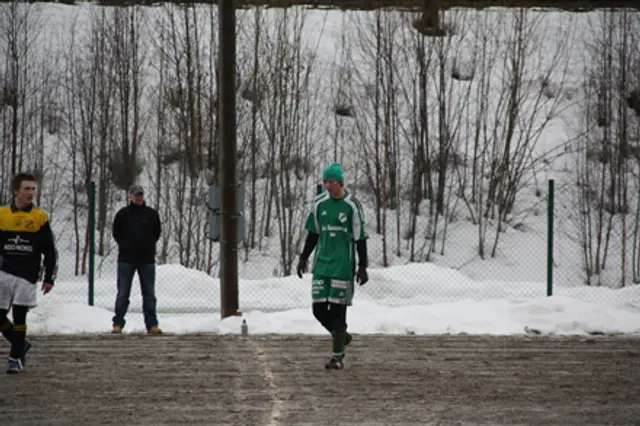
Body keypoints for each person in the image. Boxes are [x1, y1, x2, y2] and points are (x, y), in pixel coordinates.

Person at [296, 162, 369, 370]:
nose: (328, 185)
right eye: (325, 181)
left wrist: (363, 266)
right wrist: (303, 258)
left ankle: (337, 357)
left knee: (338, 311)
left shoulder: (352, 205)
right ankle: (342, 336)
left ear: (341, 182)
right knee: (318, 309)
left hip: (342, 266)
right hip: (322, 264)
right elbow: (313, 233)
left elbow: (360, 238)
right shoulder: (320, 204)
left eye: (331, 181)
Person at [0, 172, 58, 373]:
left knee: (19, 316)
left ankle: (15, 358)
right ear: (16, 190)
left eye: (33, 189)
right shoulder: (3, 215)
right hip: (5, 273)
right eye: (26, 189)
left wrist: (49, 276)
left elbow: (49, 250)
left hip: (27, 274)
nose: (30, 193)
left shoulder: (39, 217)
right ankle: (21, 344)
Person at [111, 184, 162, 335]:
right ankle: (118, 323)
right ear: (130, 197)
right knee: (123, 293)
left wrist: (147, 246)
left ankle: (152, 325)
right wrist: (126, 246)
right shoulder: (122, 214)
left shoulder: (151, 214)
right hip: (126, 259)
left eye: (141, 194)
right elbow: (116, 233)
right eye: (136, 195)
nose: (139, 197)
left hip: (146, 260)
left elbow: (156, 233)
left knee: (149, 295)